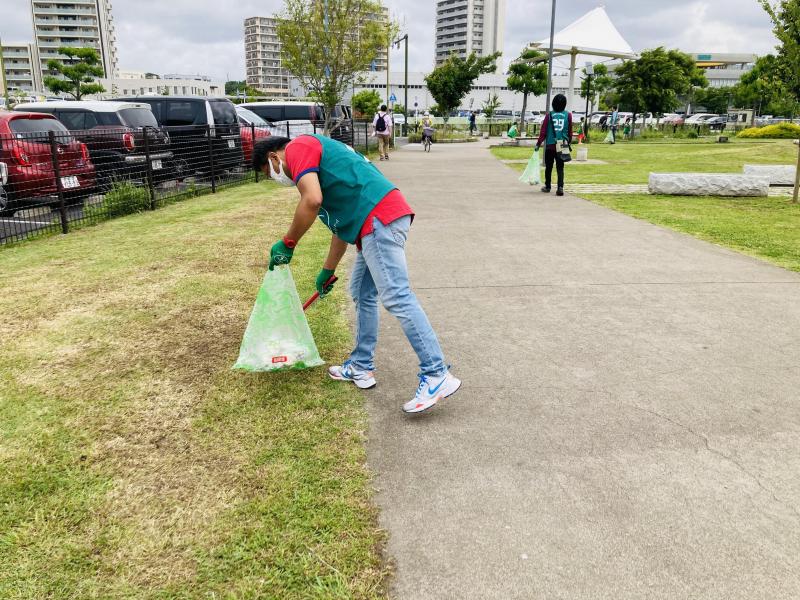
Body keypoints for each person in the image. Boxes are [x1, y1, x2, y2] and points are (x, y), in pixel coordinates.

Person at [252, 135, 461, 414]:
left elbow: (311, 200)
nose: (276, 178)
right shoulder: (321, 169)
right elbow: (340, 229)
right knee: (362, 293)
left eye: (269, 173)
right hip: (374, 221)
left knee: (397, 296)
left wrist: (288, 243)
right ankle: (361, 366)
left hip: (378, 219)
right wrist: (327, 271)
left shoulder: (298, 147)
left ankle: (437, 374)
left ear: (273, 157)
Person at [535, 93, 572, 196]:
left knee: (549, 167)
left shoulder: (549, 115)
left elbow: (543, 131)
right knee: (560, 167)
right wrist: (568, 141)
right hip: (563, 144)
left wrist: (538, 143)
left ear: (553, 103)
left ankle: (547, 186)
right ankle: (560, 187)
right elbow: (570, 131)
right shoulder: (568, 115)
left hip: (551, 144)